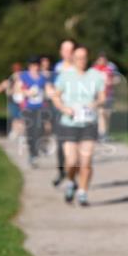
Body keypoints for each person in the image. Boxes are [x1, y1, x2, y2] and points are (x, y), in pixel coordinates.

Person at [52, 45, 106, 206]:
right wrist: (64, 108)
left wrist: (95, 103)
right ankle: (70, 181)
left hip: (89, 123)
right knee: (71, 160)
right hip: (69, 123)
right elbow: (56, 96)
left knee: (86, 161)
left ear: (87, 58)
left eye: (84, 57)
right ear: (73, 59)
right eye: (78, 58)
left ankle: (82, 192)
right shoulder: (65, 76)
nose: (81, 61)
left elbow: (103, 97)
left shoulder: (96, 76)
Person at [48, 39, 76, 187]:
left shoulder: (80, 67)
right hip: (59, 110)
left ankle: (73, 176)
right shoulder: (57, 69)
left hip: (77, 110)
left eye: (70, 50)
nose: (67, 53)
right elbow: (50, 88)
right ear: (60, 52)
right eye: (65, 50)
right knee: (60, 143)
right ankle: (61, 172)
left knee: (76, 145)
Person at [18, 57, 49, 166]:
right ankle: (32, 155)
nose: (35, 68)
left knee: (40, 129)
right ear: (29, 66)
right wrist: (27, 92)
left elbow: (47, 90)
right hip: (28, 108)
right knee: (30, 131)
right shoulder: (24, 76)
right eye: (32, 65)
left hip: (41, 107)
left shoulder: (42, 77)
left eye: (36, 65)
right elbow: (18, 89)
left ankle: (39, 147)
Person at [0, 63, 25, 143]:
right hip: (12, 102)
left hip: (22, 102)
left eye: (19, 70)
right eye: (16, 70)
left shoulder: (23, 79)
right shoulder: (10, 80)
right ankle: (17, 133)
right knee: (16, 117)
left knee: (21, 118)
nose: (17, 72)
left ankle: (20, 134)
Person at [93, 52, 121, 140]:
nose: (102, 61)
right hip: (98, 96)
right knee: (100, 114)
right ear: (97, 61)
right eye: (100, 60)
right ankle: (101, 134)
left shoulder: (111, 68)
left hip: (109, 95)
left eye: (103, 60)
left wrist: (111, 82)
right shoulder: (94, 70)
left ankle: (105, 133)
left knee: (107, 115)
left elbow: (118, 79)